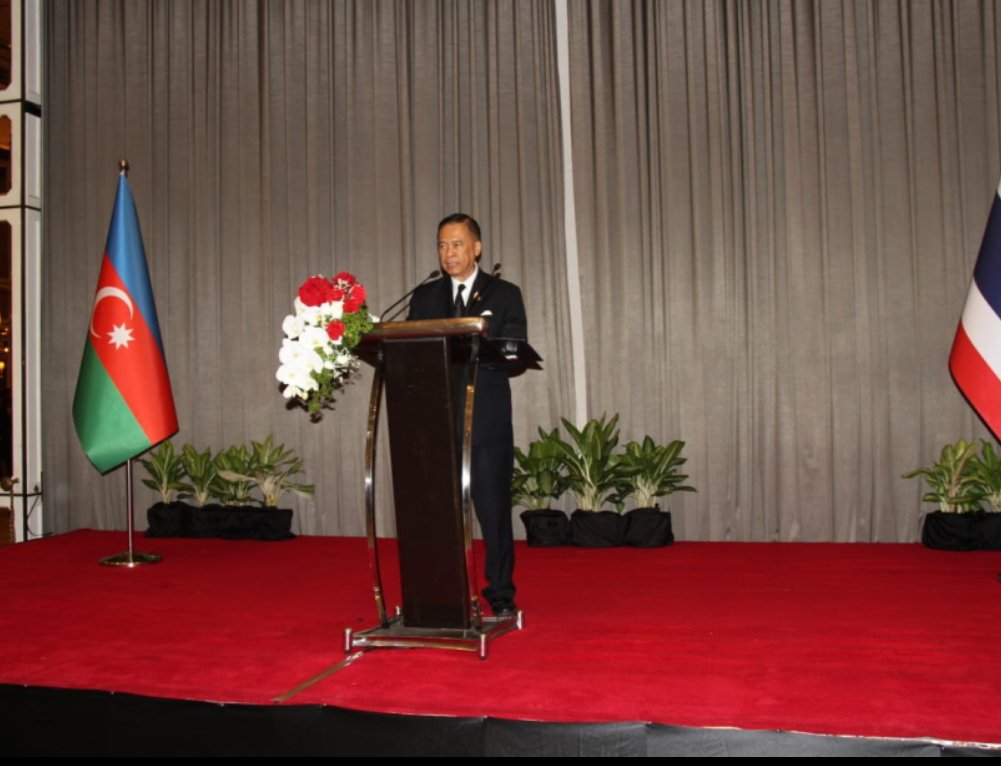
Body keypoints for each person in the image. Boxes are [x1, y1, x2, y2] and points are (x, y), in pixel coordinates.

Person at [407, 213, 526, 616]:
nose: (448, 253)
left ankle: (501, 591)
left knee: (493, 510)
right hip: (436, 419)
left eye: (457, 244)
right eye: (442, 245)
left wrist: (486, 346)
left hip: (486, 418)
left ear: (476, 248)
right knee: (437, 514)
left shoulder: (504, 294)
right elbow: (411, 352)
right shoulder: (425, 297)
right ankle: (442, 589)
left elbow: (515, 351)